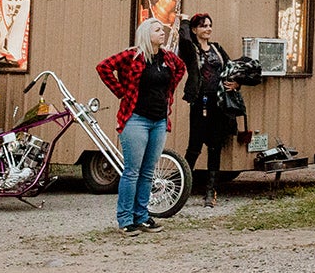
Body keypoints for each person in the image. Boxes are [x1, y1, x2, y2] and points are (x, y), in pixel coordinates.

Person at [96, 16, 186, 235]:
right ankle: (125, 220)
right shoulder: (132, 56)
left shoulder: (168, 58)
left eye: (162, 30)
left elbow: (181, 69)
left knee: (148, 172)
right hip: (136, 119)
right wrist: (121, 91)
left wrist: (168, 96)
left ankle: (142, 216)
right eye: (157, 30)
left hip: (159, 120)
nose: (162, 33)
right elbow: (104, 67)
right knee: (132, 171)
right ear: (147, 34)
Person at [178, 12, 240, 207]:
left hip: (218, 102)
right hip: (200, 101)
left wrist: (236, 83)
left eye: (210, 25)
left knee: (215, 147)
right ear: (196, 29)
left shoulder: (217, 48)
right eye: (203, 26)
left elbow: (231, 68)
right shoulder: (191, 49)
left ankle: (210, 193)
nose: (208, 29)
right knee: (194, 147)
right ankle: (181, 190)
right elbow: (184, 39)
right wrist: (185, 22)